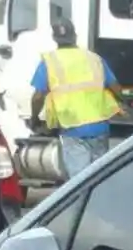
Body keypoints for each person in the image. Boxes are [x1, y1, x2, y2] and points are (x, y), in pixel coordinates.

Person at [30, 17, 124, 177]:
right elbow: (115, 87)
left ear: (54, 38)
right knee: (99, 179)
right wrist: (122, 103)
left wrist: (35, 119)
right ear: (75, 36)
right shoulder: (94, 58)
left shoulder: (50, 62)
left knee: (80, 181)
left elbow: (38, 97)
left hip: (72, 128)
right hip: (99, 127)